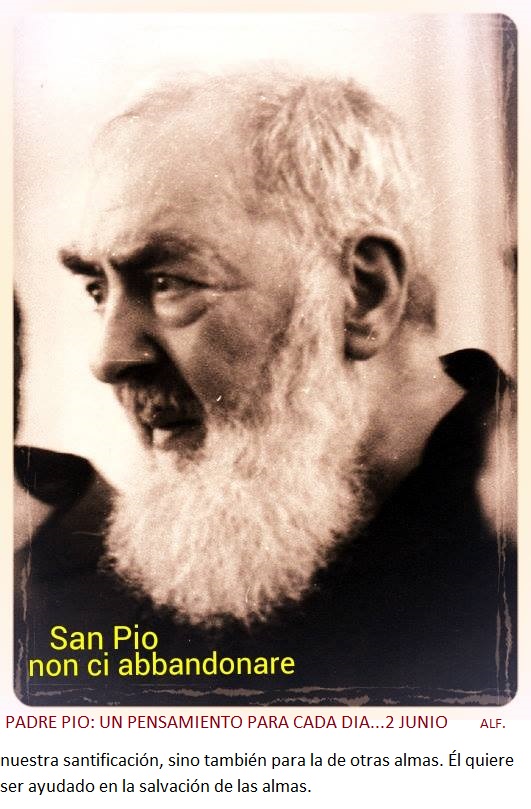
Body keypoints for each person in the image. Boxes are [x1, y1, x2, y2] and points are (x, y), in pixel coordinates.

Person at [15, 68, 516, 706]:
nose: (108, 358)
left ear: (362, 295)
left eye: (169, 282)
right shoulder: (218, 564)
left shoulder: (504, 565)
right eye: (97, 290)